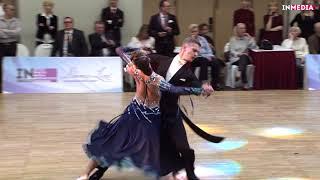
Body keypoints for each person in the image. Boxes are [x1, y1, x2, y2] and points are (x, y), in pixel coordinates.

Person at [87, 38, 220, 180]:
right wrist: (138, 50)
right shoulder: (159, 59)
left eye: (197, 52)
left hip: (170, 115)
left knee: (184, 148)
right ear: (183, 48)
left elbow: (195, 86)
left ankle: (191, 174)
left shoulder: (188, 74)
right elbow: (123, 52)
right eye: (194, 50)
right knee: (121, 141)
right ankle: (100, 170)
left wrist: (203, 88)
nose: (195, 54)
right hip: (146, 115)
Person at [229, 23, 258, 90]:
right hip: (235, 59)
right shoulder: (232, 39)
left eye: (244, 28)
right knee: (243, 59)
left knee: (244, 57)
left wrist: (250, 37)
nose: (243, 30)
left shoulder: (247, 39)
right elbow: (232, 51)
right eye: (241, 28)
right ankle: (245, 84)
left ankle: (239, 73)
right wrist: (239, 54)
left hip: (246, 59)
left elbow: (255, 47)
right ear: (237, 30)